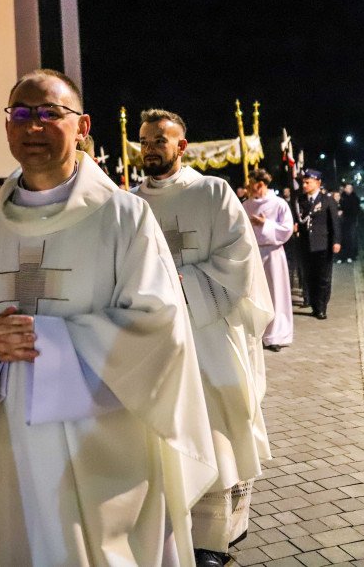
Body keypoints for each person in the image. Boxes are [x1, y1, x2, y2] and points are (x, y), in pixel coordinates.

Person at [0, 69, 217, 566]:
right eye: (20, 114)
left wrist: (53, 341)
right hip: (1, 433)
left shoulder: (124, 217)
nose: (32, 126)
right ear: (6, 127)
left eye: (49, 114)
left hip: (99, 437)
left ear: (82, 125)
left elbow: (159, 323)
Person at [134, 109, 274, 567]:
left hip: (208, 331)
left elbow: (239, 259)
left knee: (215, 432)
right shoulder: (130, 205)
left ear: (182, 147)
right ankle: (167, 532)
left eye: (161, 139)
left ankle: (212, 539)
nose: (151, 146)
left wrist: (180, 282)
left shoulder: (214, 193)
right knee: (159, 433)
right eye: (145, 139)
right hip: (154, 339)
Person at [243, 169, 294, 352]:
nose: (249, 188)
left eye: (252, 184)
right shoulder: (246, 205)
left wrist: (266, 224)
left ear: (261, 184)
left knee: (276, 294)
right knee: (255, 294)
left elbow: (287, 229)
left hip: (273, 252)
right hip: (254, 253)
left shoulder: (279, 203)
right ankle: (258, 333)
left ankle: (276, 336)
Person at [295, 169, 341, 320]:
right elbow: (299, 221)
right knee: (309, 277)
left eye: (308, 182)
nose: (305, 185)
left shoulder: (327, 200)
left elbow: (334, 223)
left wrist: (336, 241)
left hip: (323, 244)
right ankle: (314, 305)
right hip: (305, 244)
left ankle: (321, 307)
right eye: (304, 182)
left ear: (318, 183)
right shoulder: (300, 200)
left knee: (323, 278)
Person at [338, 183, 362, 263]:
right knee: (343, 239)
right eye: (347, 188)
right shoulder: (341, 197)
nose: (349, 189)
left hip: (351, 221)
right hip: (342, 222)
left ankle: (351, 255)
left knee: (351, 238)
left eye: (350, 188)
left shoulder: (355, 198)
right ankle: (342, 256)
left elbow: (356, 209)